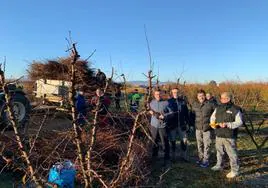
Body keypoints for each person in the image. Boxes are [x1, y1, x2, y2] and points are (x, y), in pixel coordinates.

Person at [210, 92, 243, 178]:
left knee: (232, 153)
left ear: (228, 99)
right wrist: (214, 125)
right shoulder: (218, 108)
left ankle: (235, 170)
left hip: (229, 135)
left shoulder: (235, 109)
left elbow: (239, 122)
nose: (221, 100)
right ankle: (219, 165)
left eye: (223, 98)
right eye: (221, 98)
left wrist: (228, 124)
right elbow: (212, 118)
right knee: (219, 151)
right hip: (219, 133)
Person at [192, 89, 216, 168]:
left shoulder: (210, 104)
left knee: (207, 145)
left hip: (207, 128)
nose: (201, 97)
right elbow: (192, 115)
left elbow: (217, 112)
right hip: (198, 128)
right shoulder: (194, 104)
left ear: (205, 96)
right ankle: (200, 157)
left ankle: (206, 160)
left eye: (202, 96)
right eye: (199, 96)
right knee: (199, 144)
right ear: (197, 97)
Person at [149, 89, 172, 166]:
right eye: (156, 94)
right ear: (154, 95)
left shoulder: (166, 103)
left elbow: (171, 113)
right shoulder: (152, 103)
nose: (158, 96)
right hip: (154, 126)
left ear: (161, 94)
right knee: (154, 142)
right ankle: (154, 158)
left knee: (165, 142)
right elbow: (149, 110)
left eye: (159, 94)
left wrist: (164, 116)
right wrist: (150, 112)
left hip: (163, 126)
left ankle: (167, 159)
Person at [167, 88, 190, 161]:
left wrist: (188, 123)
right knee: (173, 141)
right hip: (172, 125)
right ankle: (173, 156)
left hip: (182, 125)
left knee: (184, 141)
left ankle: (184, 156)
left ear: (178, 93)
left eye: (176, 92)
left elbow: (186, 113)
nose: (175, 93)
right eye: (174, 92)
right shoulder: (169, 102)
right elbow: (166, 113)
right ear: (172, 93)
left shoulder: (183, 101)